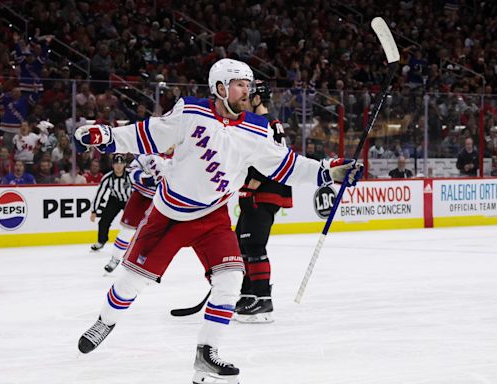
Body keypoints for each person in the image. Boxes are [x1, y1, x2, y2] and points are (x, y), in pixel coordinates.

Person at [73, 58, 361, 384]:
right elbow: (147, 133)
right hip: (169, 214)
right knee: (131, 282)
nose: (246, 90)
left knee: (230, 280)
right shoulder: (191, 112)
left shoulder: (256, 129)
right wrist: (106, 135)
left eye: (248, 85)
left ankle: (206, 355)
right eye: (239, 84)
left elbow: (285, 165)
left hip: (214, 216)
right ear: (220, 88)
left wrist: (327, 171)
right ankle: (105, 321)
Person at [233, 80, 292, 323]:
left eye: (248, 98)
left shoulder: (267, 124)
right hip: (258, 190)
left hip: (264, 191)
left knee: (254, 244)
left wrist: (250, 187)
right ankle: (249, 294)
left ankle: (263, 301)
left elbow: (270, 160)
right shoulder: (264, 123)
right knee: (242, 243)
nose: (244, 102)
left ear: (258, 99)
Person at [103, 153, 171, 273]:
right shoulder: (150, 153)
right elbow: (131, 168)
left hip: (159, 200)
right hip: (139, 196)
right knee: (126, 230)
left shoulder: (179, 159)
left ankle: (141, 263)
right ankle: (115, 258)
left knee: (152, 235)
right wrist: (143, 178)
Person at [89, 154, 132, 251]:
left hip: (130, 201)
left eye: (121, 164)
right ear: (112, 165)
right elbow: (99, 194)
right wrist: (94, 211)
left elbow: (139, 189)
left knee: (135, 223)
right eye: (116, 163)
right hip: (115, 200)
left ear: (125, 164)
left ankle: (137, 243)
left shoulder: (131, 175)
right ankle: (101, 241)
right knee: (104, 221)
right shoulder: (107, 178)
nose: (118, 166)